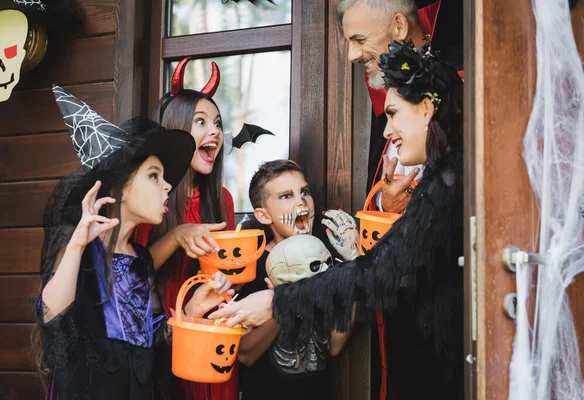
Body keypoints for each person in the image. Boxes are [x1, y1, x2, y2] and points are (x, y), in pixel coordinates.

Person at [210, 40, 465, 399]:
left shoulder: (453, 178)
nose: (387, 130)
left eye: (392, 113)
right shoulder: (446, 176)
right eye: (285, 196)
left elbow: (381, 271)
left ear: (426, 109)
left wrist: (278, 301)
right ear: (262, 213)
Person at [36, 86, 234, 399]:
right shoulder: (83, 250)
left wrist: (192, 310)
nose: (168, 184)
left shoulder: (140, 260)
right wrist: (76, 245)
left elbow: (151, 344)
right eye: (154, 176)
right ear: (122, 188)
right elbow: (50, 315)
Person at [133, 58, 238, 400]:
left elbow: (229, 269)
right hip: (166, 340)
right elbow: (133, 270)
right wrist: (178, 237)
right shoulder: (151, 198)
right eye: (201, 122)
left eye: (218, 123)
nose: (215, 132)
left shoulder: (222, 198)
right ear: (177, 132)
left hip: (216, 337)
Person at [235, 159, 351, 400]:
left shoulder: (325, 261)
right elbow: (244, 354)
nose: (301, 201)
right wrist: (284, 302)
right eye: (286, 196)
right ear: (263, 215)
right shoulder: (251, 268)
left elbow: (335, 345)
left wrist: (353, 266)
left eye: (304, 192)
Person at [337, 0, 463, 213]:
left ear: (399, 26)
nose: (352, 56)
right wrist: (387, 205)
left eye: (360, 40)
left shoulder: (464, 94)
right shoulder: (388, 105)